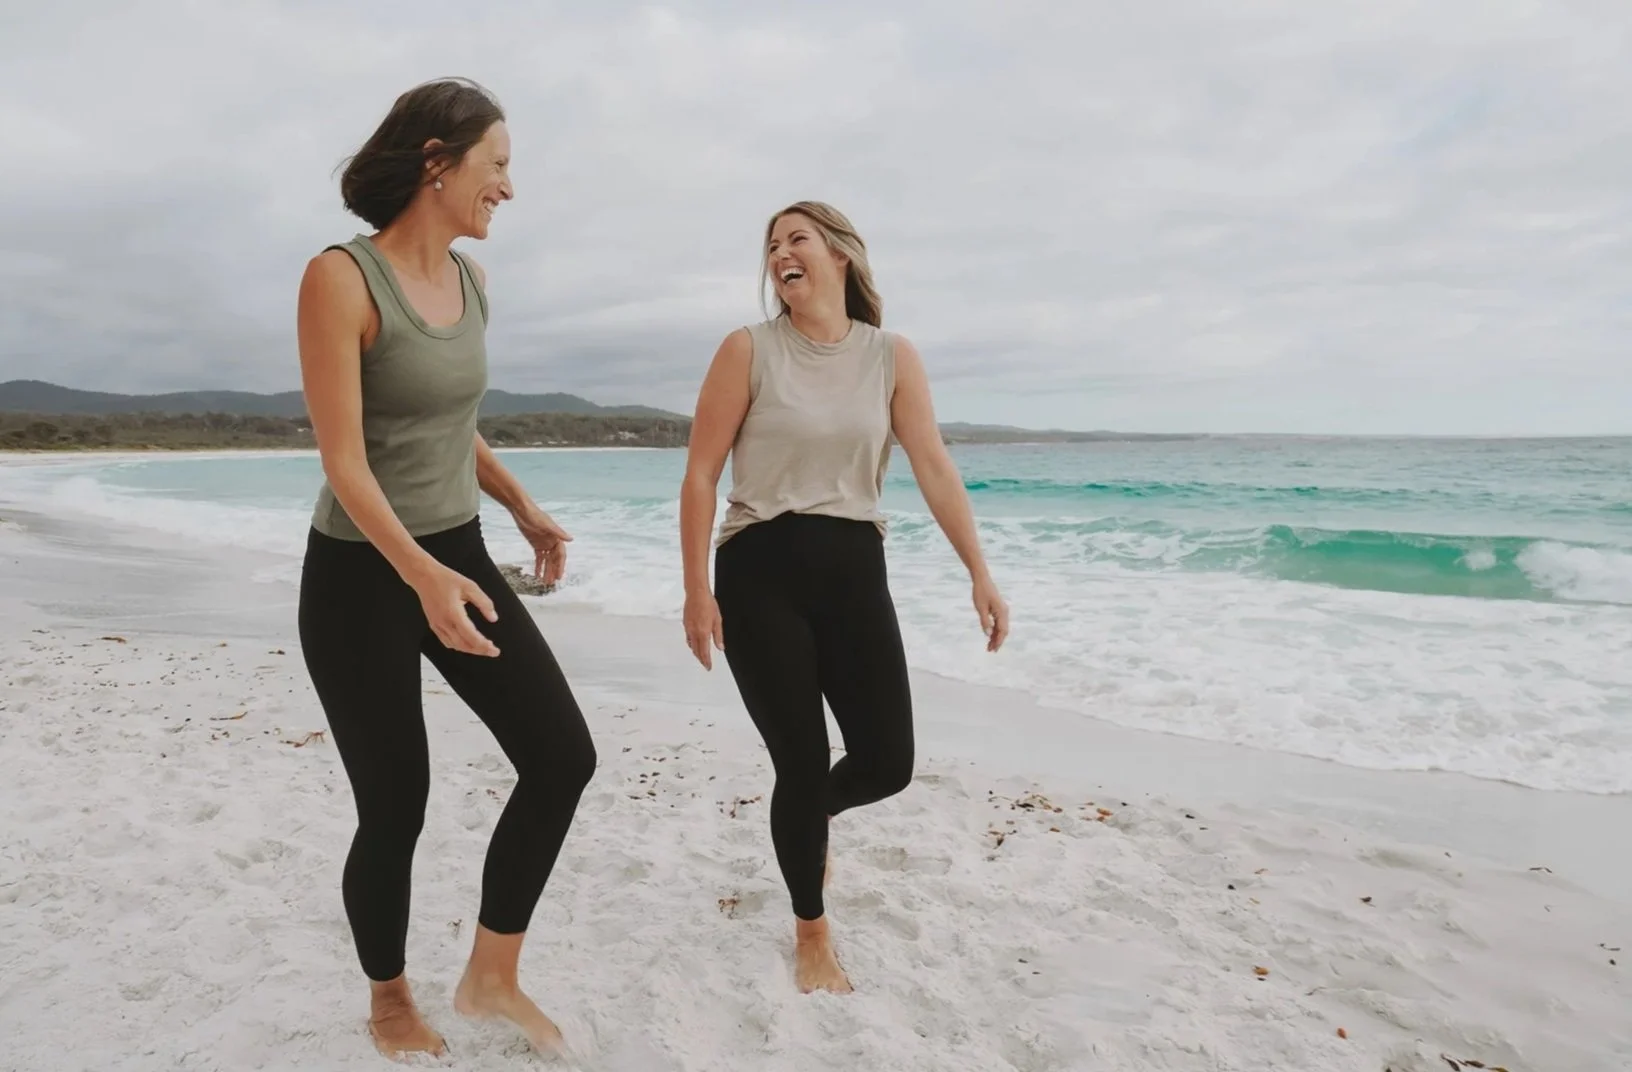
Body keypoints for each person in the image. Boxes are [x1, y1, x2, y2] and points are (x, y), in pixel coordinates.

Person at [294, 78, 595, 1059]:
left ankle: (490, 972)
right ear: (438, 162)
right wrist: (420, 575)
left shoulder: (470, 283)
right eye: (496, 164)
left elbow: (452, 427)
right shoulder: (341, 278)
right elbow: (346, 458)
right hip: (359, 572)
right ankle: (387, 998)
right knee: (398, 802)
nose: (507, 186)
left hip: (455, 552)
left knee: (561, 755)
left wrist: (524, 508)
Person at [679, 200, 1010, 993]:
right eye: (770, 246)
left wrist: (980, 570)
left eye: (796, 240)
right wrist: (695, 588)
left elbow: (931, 463)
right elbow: (700, 473)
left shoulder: (891, 356)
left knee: (888, 762)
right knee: (799, 760)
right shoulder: (747, 349)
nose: (780, 255)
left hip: (855, 567)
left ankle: (802, 821)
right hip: (759, 568)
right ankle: (811, 933)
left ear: (840, 256)